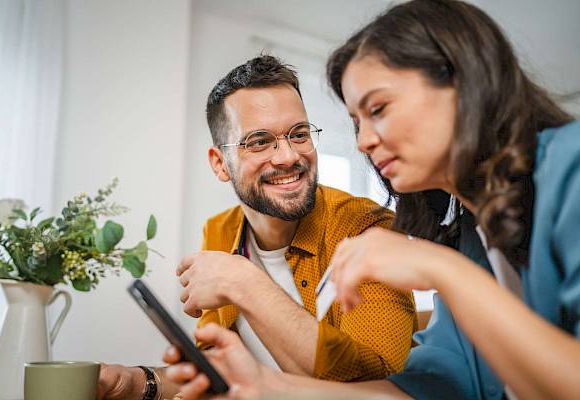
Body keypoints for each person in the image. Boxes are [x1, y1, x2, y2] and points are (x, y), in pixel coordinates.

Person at [163, 0, 580, 399]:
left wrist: (442, 270)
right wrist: (265, 387)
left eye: (378, 109)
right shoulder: (470, 234)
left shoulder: (570, 165)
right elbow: (430, 390)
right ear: (220, 164)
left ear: (465, 83)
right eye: (355, 122)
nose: (363, 142)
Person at [97, 55, 417, 400]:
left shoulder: (368, 227)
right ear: (220, 164)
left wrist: (244, 282)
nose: (288, 157)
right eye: (260, 141)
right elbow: (221, 372)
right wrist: (137, 382)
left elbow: (380, 386)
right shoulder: (220, 231)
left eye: (299, 134)